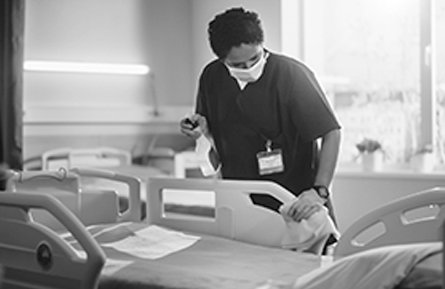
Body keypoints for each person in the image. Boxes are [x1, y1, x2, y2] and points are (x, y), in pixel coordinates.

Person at [180, 7, 341, 233]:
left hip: (296, 200)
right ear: (221, 59)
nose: (249, 68)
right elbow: (216, 142)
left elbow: (330, 131)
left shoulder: (291, 75)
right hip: (242, 202)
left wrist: (319, 191)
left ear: (262, 44)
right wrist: (202, 133)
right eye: (237, 65)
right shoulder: (212, 78)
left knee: (310, 261)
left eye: (255, 59)